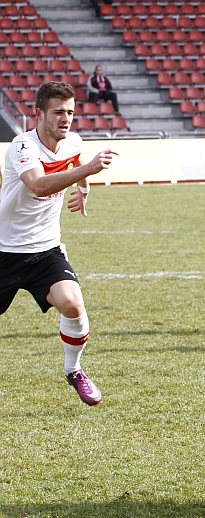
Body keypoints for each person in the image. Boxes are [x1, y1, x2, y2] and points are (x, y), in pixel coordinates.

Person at [1, 81, 117, 405]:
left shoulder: (72, 142)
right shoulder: (22, 147)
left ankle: (74, 370)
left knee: (73, 305)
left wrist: (84, 188)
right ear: (38, 114)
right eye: (58, 112)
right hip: (4, 249)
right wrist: (88, 169)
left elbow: (75, 161)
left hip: (45, 250)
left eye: (70, 112)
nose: (65, 119)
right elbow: (38, 185)